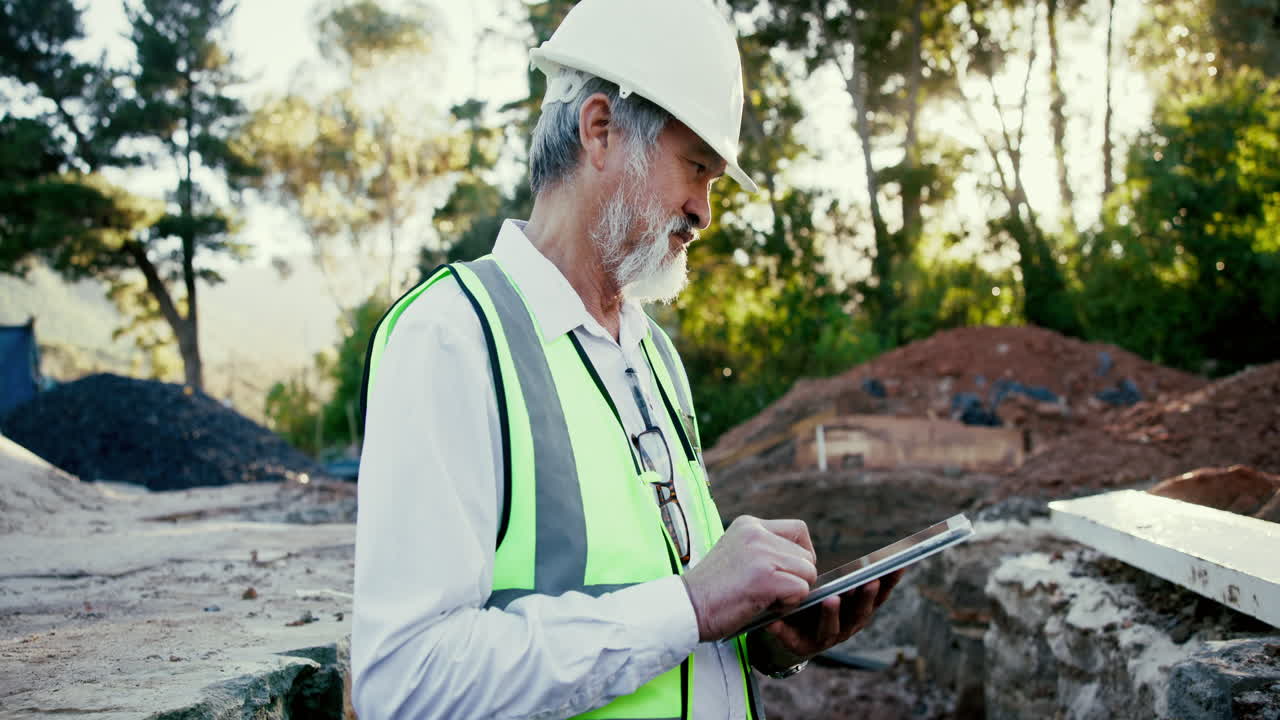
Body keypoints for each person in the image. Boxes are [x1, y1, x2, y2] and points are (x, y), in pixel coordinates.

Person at [351, 0, 901, 717]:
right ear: (600, 130)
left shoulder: (652, 354)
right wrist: (692, 604)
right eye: (696, 168)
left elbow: (674, 630)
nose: (704, 211)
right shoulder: (452, 338)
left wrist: (764, 641)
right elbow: (405, 682)